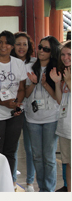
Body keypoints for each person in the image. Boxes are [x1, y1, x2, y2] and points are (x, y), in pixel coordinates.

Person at [0, 30, 27, 190]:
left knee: (11, 150)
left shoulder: (18, 64)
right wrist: (3, 103)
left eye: (7, 43)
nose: (3, 46)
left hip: (14, 114)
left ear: (12, 46)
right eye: (0, 42)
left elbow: (21, 88)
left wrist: (17, 104)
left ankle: (10, 183)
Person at [25, 35, 61, 192]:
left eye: (46, 49)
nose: (41, 51)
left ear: (52, 52)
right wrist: (34, 83)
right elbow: (26, 94)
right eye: (40, 47)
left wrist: (45, 83)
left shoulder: (56, 68)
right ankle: (42, 188)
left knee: (49, 157)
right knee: (37, 157)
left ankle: (49, 190)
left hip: (51, 117)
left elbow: (57, 97)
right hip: (32, 118)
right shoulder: (31, 66)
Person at [10, 32, 36, 192]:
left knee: (30, 147)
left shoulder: (34, 63)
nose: (21, 47)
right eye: (18, 44)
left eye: (24, 44)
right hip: (13, 108)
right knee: (13, 146)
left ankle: (30, 182)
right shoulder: (8, 62)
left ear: (29, 46)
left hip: (32, 110)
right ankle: (12, 180)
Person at [50, 40, 71, 192]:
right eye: (63, 54)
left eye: (69, 54)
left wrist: (69, 82)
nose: (65, 57)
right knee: (68, 163)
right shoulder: (65, 74)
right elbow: (59, 100)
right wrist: (58, 83)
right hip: (65, 126)